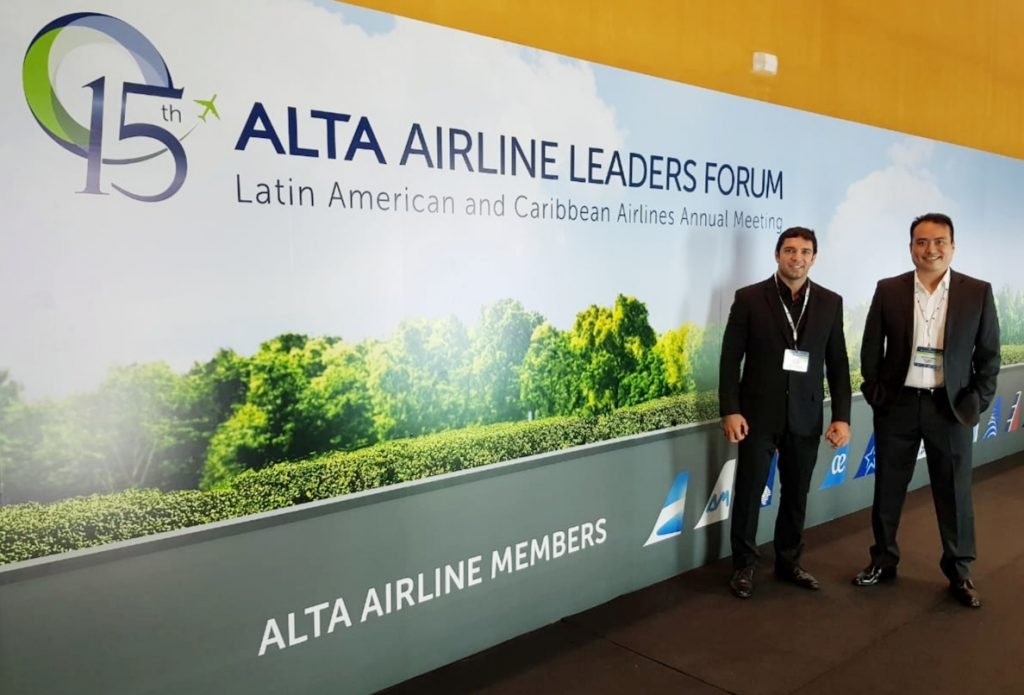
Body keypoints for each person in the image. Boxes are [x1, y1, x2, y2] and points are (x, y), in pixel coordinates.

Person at [853, 213, 1000, 608]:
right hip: (898, 406)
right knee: (888, 488)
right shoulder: (889, 290)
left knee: (954, 493)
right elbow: (871, 349)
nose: (930, 249)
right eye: (921, 242)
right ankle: (883, 560)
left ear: (952, 246)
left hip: (949, 408)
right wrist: (876, 393)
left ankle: (960, 572)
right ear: (911, 247)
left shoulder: (977, 292)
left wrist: (975, 403)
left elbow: (988, 356)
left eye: (938, 242)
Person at [719, 226, 852, 599]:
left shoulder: (830, 302)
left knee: (796, 493)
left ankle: (789, 562)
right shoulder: (749, 298)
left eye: (805, 251)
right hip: (757, 415)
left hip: (805, 415)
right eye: (790, 250)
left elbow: (838, 363)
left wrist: (842, 416)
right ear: (777, 255)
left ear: (814, 257)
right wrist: (730, 409)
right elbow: (730, 359)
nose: (797, 257)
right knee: (749, 492)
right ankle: (744, 564)